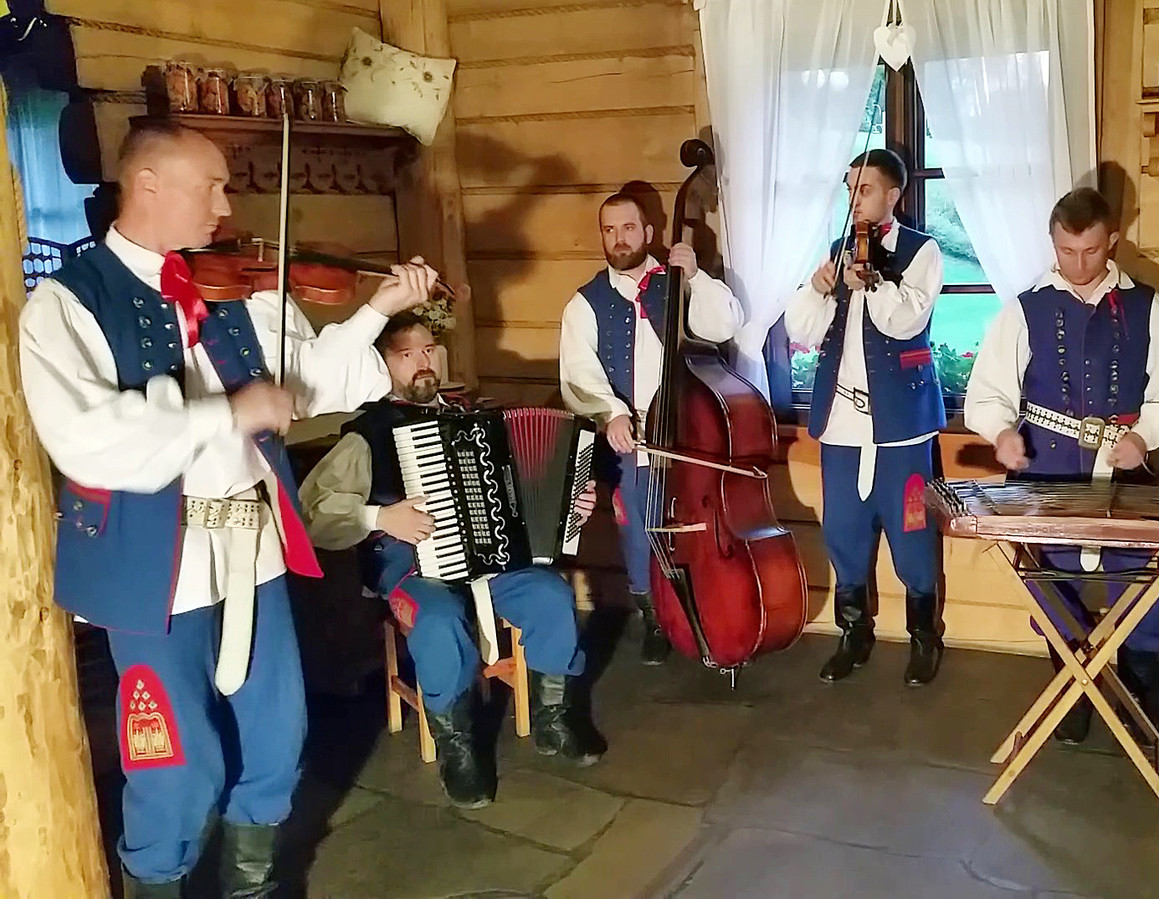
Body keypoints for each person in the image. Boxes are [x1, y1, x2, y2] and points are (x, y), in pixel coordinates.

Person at [18, 119, 437, 897]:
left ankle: (251, 883)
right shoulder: (67, 304)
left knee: (277, 734)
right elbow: (88, 440)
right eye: (209, 186)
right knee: (176, 760)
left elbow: (308, 381)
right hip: (151, 562)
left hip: (251, 544)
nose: (225, 203)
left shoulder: (237, 285)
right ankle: (157, 878)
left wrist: (377, 311)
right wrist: (230, 412)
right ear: (148, 185)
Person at [299, 313, 605, 809]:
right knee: (439, 621)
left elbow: (526, 493)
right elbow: (314, 512)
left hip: (494, 562)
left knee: (551, 595)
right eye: (406, 354)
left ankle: (555, 717)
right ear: (383, 364)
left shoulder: (478, 417)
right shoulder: (368, 433)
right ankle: (457, 747)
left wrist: (571, 505)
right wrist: (381, 516)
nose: (422, 362)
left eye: (428, 350)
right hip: (412, 568)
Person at [965, 187, 1159, 744]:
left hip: (1126, 469)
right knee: (1049, 583)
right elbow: (988, 391)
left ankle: (1140, 696)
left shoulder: (1147, 305)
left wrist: (1144, 436)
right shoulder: (1026, 308)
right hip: (1045, 471)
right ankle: (1072, 689)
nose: (1077, 264)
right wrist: (1002, 433)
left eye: (1090, 250)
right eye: (1066, 251)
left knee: (1142, 586)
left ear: (1111, 240)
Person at [557, 190, 745, 664]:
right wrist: (611, 412)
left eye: (628, 228)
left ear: (648, 232)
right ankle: (655, 618)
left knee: (697, 523)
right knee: (638, 528)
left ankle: (705, 608)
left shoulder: (677, 281)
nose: (619, 239)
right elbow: (578, 372)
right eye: (609, 230)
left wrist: (696, 276)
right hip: (632, 437)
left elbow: (725, 326)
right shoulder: (586, 303)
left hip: (690, 431)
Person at [786, 148, 948, 686]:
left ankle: (924, 637)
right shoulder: (838, 251)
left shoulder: (923, 252)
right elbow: (804, 332)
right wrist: (819, 288)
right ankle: (854, 634)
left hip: (901, 424)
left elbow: (905, 322)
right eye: (850, 188)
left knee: (911, 532)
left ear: (893, 195)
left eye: (866, 188)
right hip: (841, 422)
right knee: (843, 531)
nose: (854, 199)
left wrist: (873, 282)